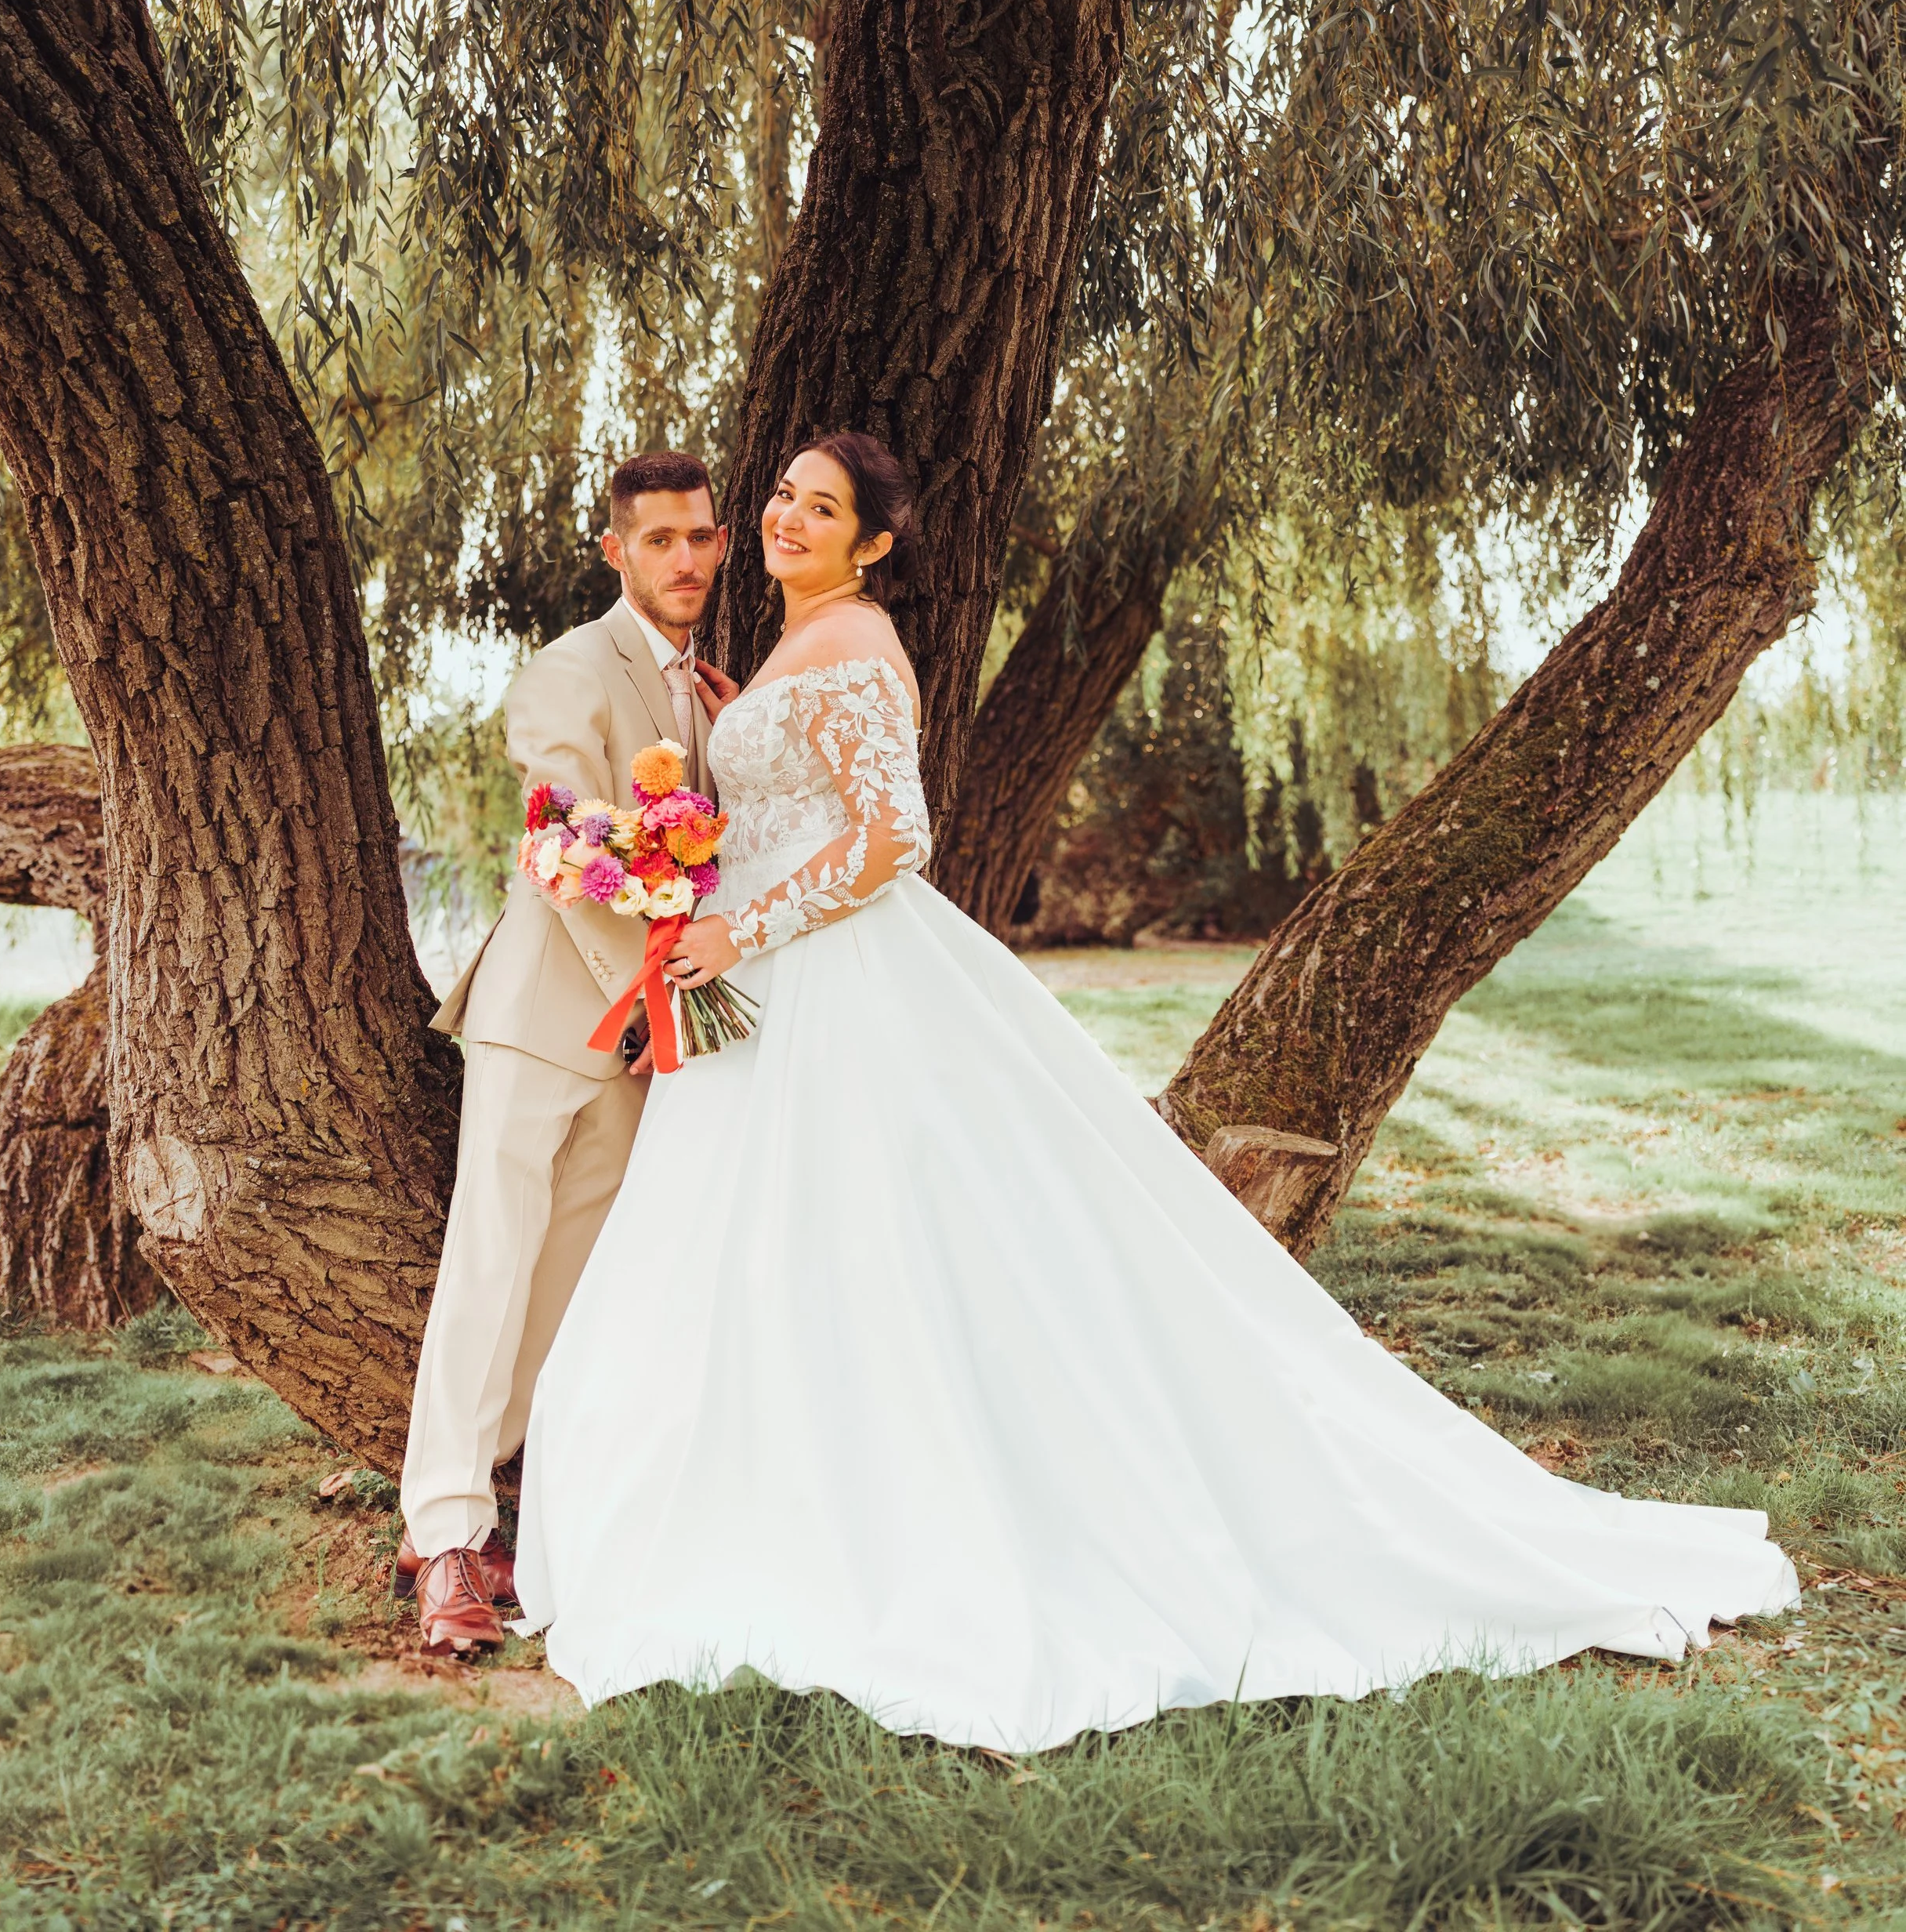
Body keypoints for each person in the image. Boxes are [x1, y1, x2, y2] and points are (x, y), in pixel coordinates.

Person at [514, 430, 1797, 1751]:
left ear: (873, 543)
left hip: (835, 979)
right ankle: (751, 1509)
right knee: (755, 1258)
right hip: (769, 996)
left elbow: (899, 840)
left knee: (869, 1250)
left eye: (821, 507)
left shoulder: (855, 646)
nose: (786, 516)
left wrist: (744, 926)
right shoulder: (785, 647)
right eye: (781, 494)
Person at [398, 450, 736, 1654]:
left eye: (703, 536)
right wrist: (640, 1000)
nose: (687, 559)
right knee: (488, 1266)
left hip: (643, 1045)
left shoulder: (704, 687)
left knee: (567, 1288)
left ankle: (499, 1504)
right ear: (617, 551)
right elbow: (570, 838)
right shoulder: (567, 670)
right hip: (551, 1019)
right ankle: (442, 1533)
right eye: (661, 540)